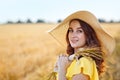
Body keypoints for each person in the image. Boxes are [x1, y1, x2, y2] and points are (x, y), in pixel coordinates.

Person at [48, 11, 115, 80]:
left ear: (88, 35)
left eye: (79, 31)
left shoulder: (84, 63)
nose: (73, 35)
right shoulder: (71, 61)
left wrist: (62, 70)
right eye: (71, 30)